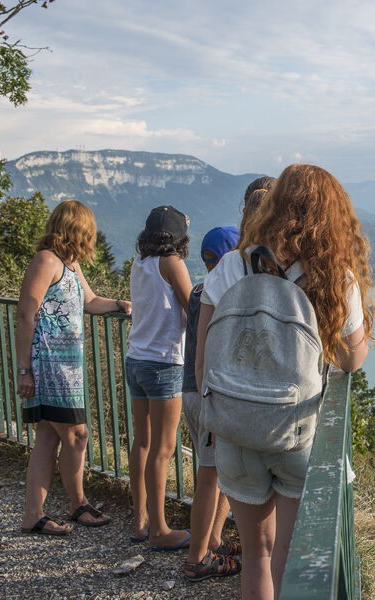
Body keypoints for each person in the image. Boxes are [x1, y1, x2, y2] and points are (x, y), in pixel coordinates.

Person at [195, 164, 375, 599]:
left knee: (255, 553)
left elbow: (204, 358)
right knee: (291, 557)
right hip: (298, 430)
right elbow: (351, 361)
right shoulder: (334, 276)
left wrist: (217, 417)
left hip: (235, 431)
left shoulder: (231, 266)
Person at [16, 199, 131, 535]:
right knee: (77, 435)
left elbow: (90, 301)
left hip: (68, 369)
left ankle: (33, 515)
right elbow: (25, 313)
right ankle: (78, 504)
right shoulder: (46, 261)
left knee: (49, 439)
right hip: (49, 366)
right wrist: (24, 370)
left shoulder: (70, 264)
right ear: (77, 229)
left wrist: (119, 304)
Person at [125, 205, 193, 551]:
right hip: (164, 363)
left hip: (136, 359)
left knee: (143, 443)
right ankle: (160, 532)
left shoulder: (141, 263)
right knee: (164, 450)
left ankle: (141, 522)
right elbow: (193, 305)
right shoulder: (172, 263)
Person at [181, 226, 242, 581]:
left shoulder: (200, 290)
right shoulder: (222, 293)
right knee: (209, 477)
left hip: (190, 390)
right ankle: (196, 558)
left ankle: (214, 539)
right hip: (204, 393)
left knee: (218, 474)